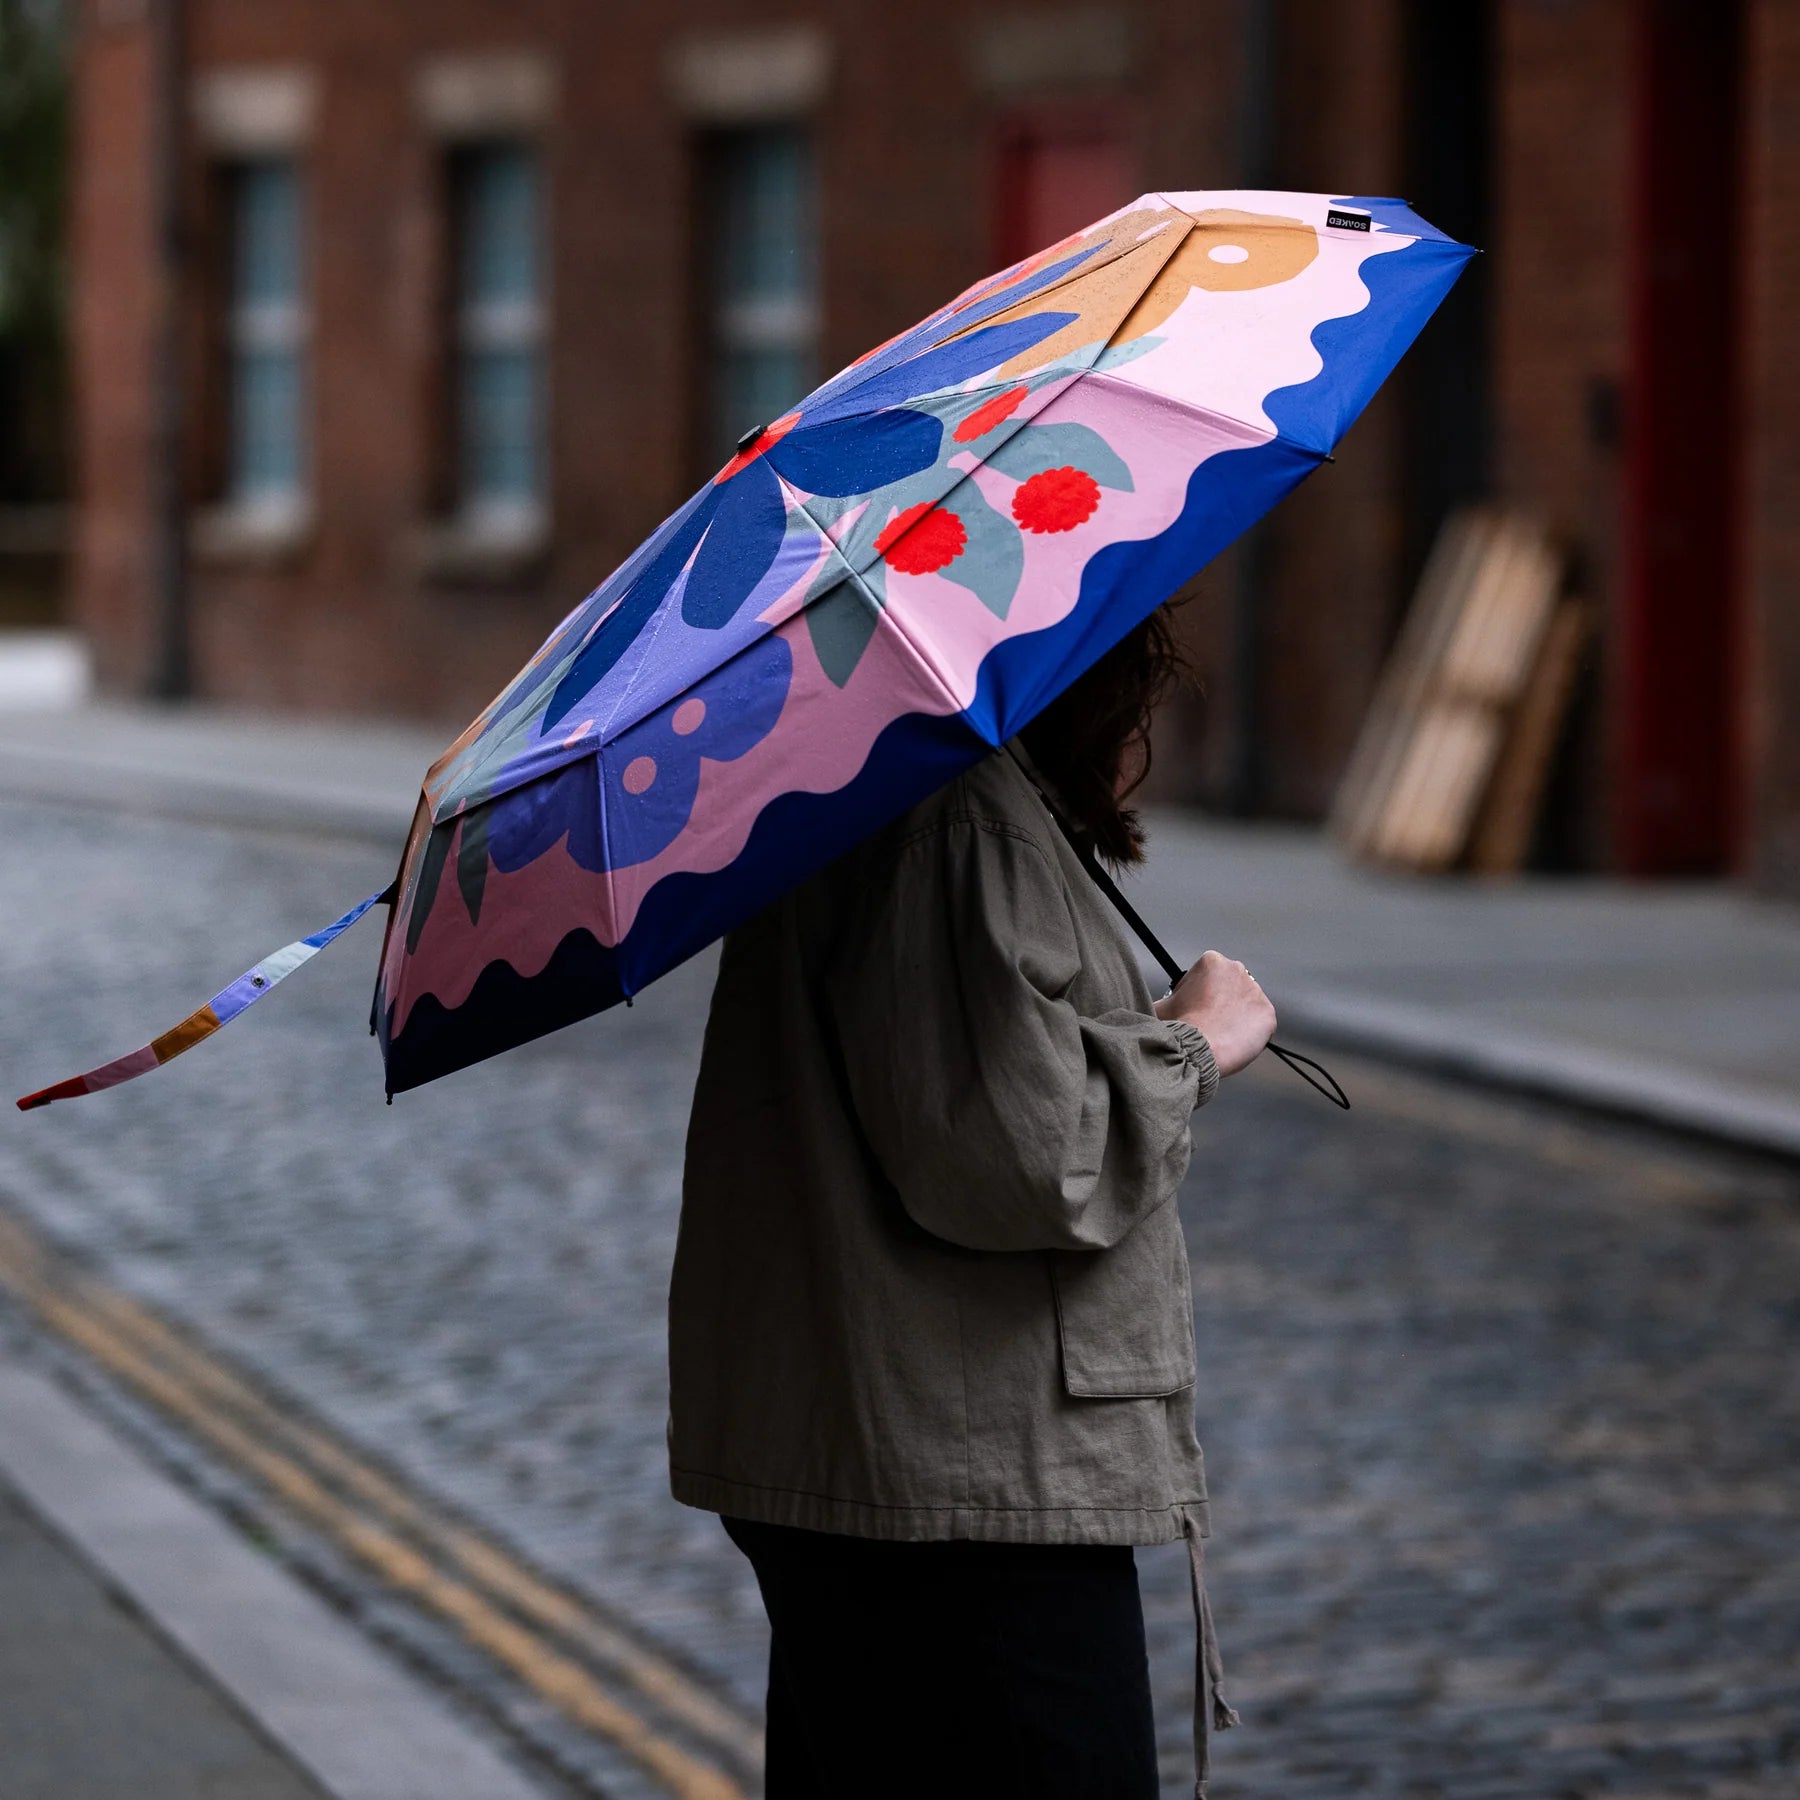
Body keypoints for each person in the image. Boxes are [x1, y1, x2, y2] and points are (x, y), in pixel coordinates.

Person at [669, 608, 1277, 1799]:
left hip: (894, 1455)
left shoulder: (878, 787)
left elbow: (959, 1080)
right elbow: (1024, 1158)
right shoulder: (961, 819)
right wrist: (1198, 1045)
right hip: (969, 1484)